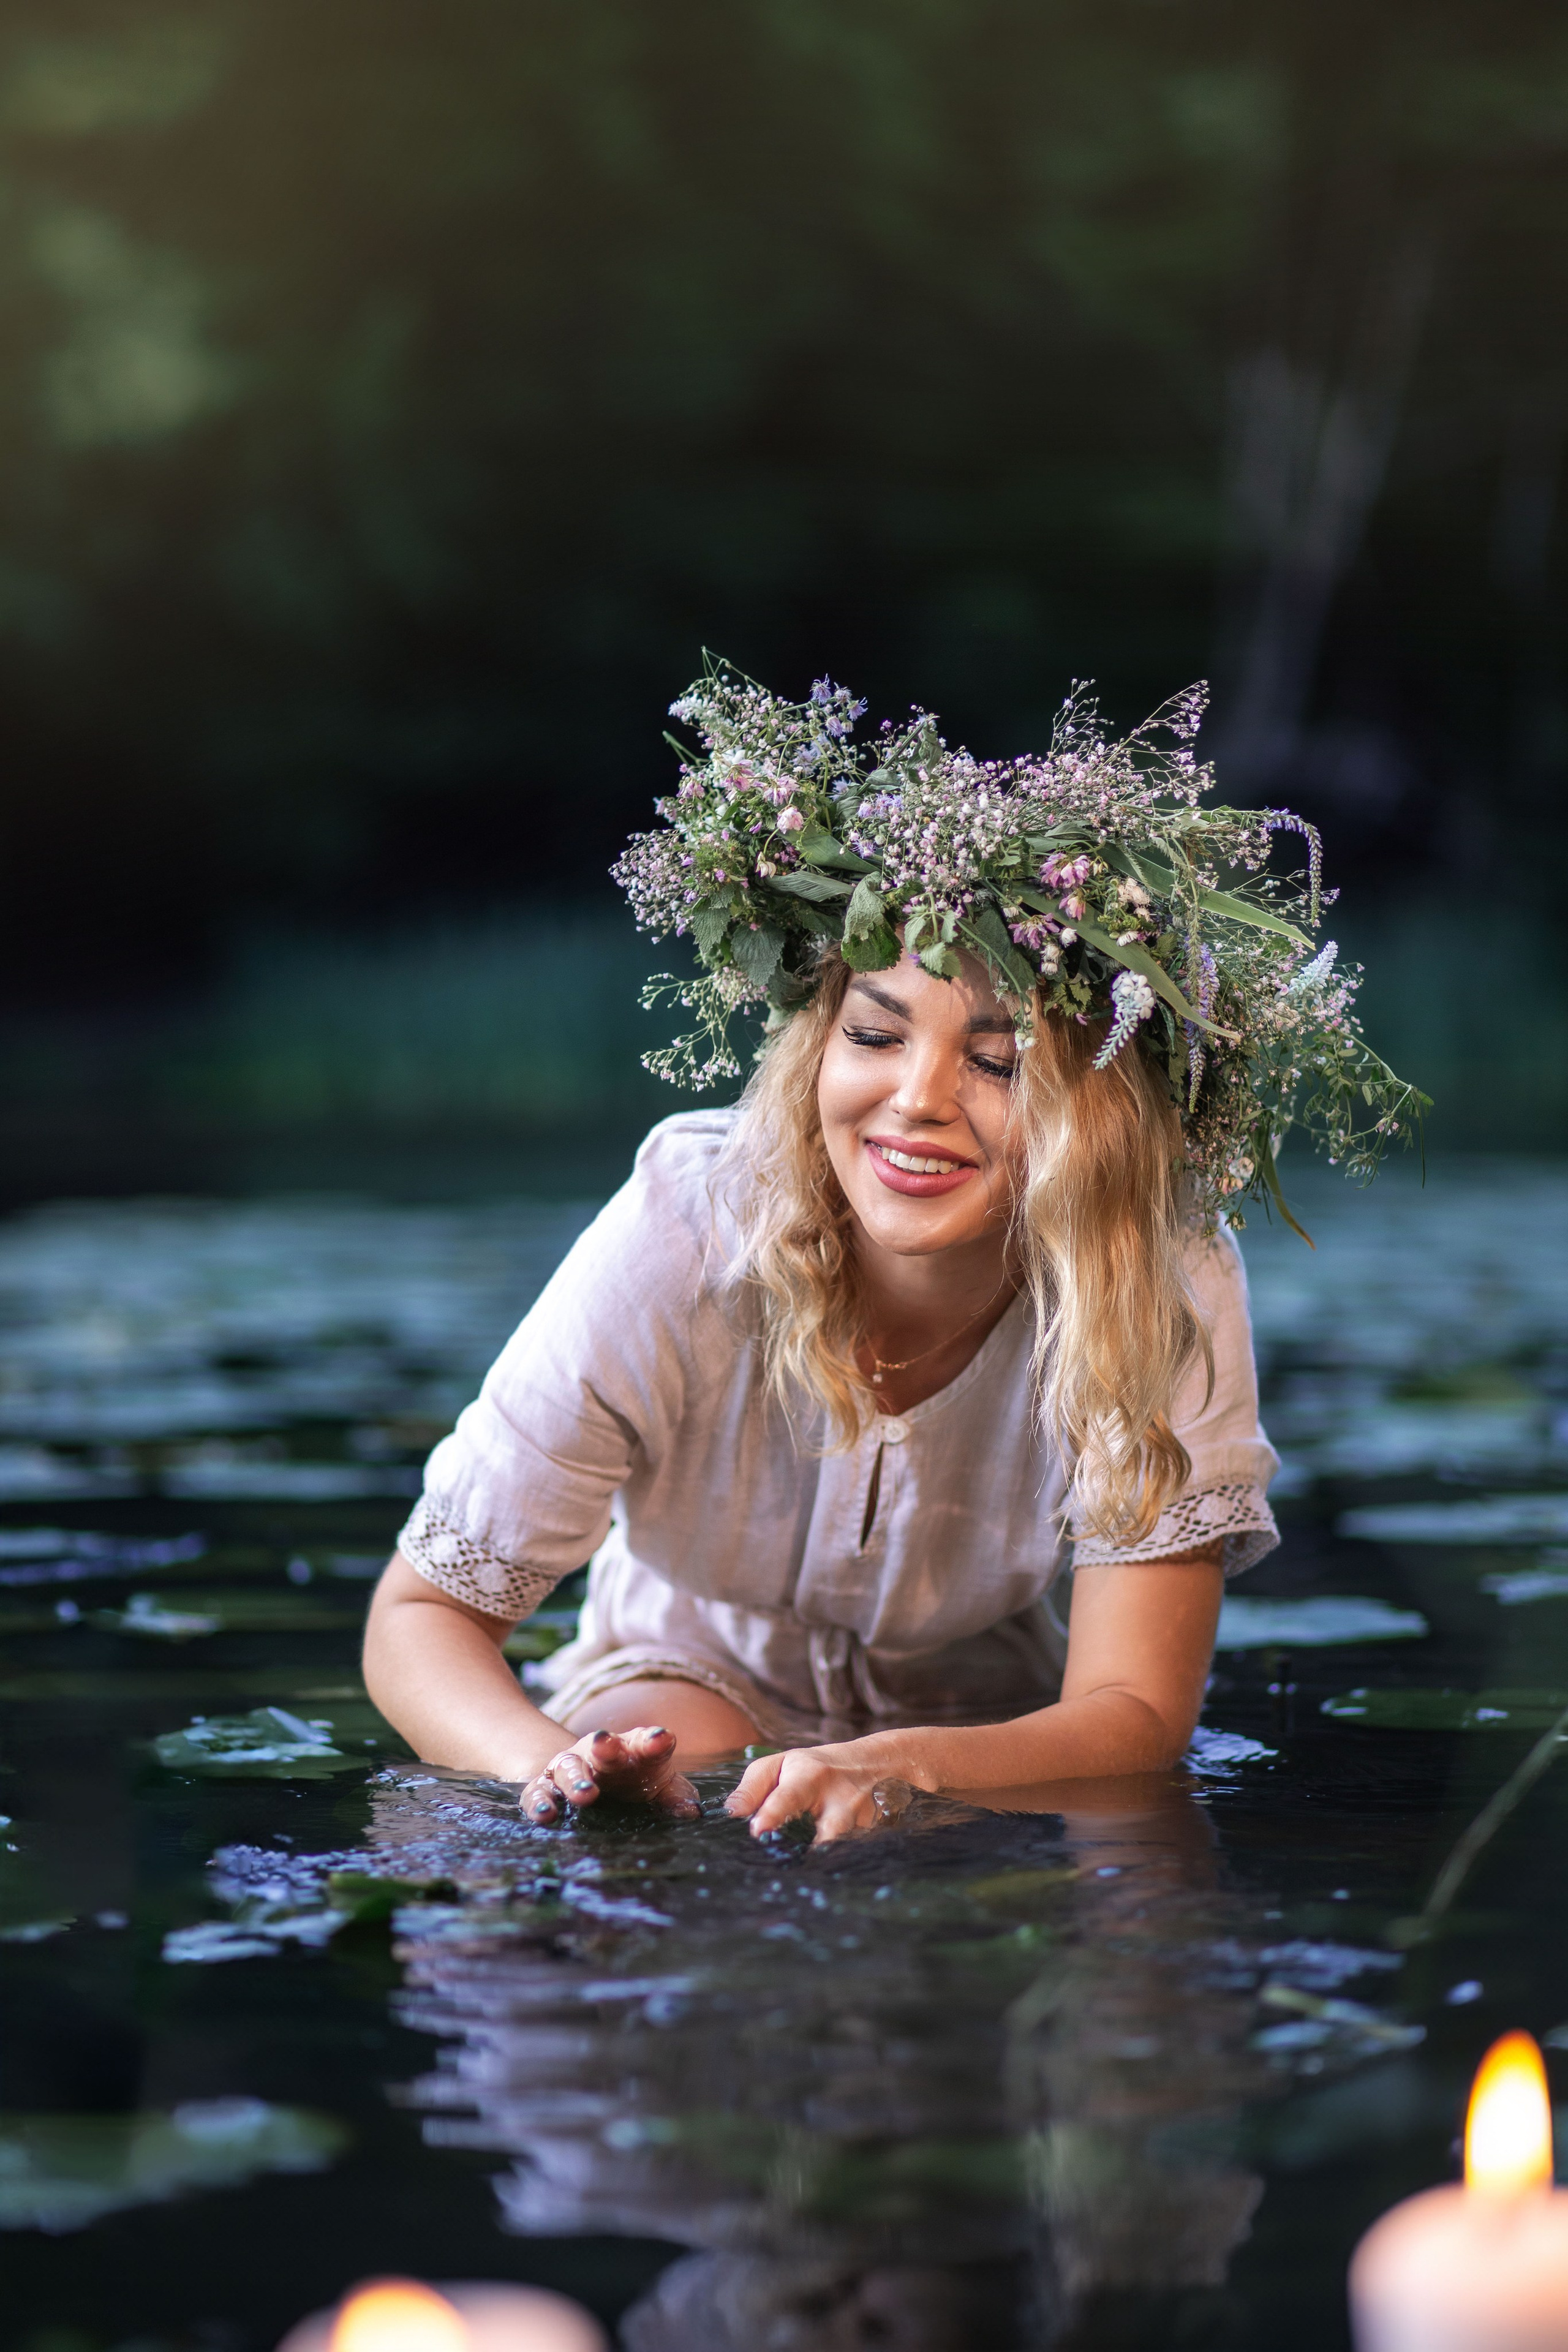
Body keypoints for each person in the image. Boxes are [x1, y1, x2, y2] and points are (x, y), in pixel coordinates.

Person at [364, 663, 1422, 1841]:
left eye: (999, 1061)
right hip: (684, 1667)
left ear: (1104, 1110)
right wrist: (550, 1771)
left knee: (1099, 1882)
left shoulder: (1164, 1268)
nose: (916, 1099)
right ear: (819, 1042)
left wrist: (902, 1766)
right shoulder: (684, 1218)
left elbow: (1133, 1712)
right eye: (875, 1032)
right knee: (677, 1794)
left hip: (987, 1704)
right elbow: (421, 1617)